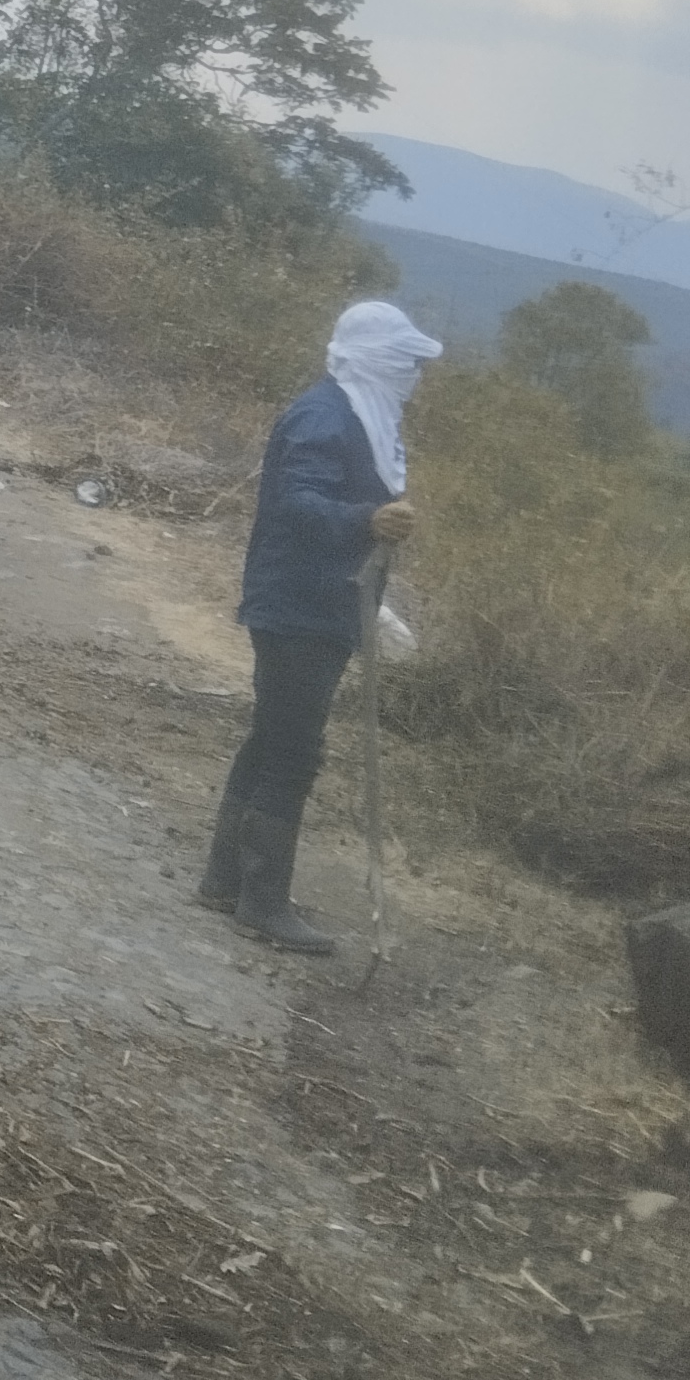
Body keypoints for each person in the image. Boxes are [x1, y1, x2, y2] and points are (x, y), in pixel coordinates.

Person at [200, 300, 438, 954]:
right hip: (298, 606)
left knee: (271, 739)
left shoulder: (361, 416)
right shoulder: (327, 415)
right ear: (375, 360)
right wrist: (367, 518)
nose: (414, 374)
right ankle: (262, 903)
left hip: (317, 604)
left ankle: (225, 882)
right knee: (293, 752)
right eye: (405, 362)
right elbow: (297, 502)